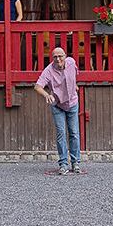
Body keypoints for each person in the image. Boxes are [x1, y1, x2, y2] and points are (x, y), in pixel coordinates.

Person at [34, 47, 80, 175]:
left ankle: (76, 163)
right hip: (57, 104)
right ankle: (63, 164)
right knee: (61, 133)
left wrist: (74, 85)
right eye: (55, 57)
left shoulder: (72, 63)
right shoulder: (48, 71)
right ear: (52, 58)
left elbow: (74, 75)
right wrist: (46, 95)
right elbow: (37, 86)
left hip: (72, 102)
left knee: (74, 133)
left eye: (60, 56)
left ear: (65, 56)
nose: (58, 59)